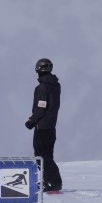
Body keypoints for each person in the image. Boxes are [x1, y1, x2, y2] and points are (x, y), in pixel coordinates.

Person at [25, 58, 62, 192]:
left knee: (41, 156)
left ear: (38, 69)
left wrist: (31, 121)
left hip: (42, 127)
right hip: (51, 126)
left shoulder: (42, 87)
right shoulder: (56, 85)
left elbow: (41, 108)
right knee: (47, 155)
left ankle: (54, 182)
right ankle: (49, 181)